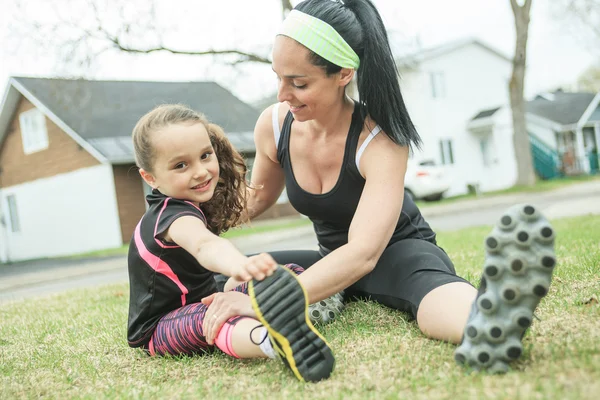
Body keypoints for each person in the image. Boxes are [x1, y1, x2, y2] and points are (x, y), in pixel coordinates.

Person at [207, 0, 557, 374]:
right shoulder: (275, 125)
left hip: (397, 253)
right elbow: (256, 197)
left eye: (299, 83)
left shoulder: (379, 139)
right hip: (332, 262)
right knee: (237, 275)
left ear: (343, 74)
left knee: (428, 292)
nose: (282, 94)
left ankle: (490, 320)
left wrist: (266, 304)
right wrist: (191, 221)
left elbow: (362, 254)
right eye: (278, 76)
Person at [126, 104, 335, 382]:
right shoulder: (171, 216)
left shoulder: (191, 202)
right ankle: (271, 341)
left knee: (287, 273)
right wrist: (241, 264)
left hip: (208, 293)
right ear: (150, 177)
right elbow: (204, 246)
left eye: (204, 156)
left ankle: (303, 312)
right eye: (181, 165)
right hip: (161, 326)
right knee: (217, 319)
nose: (200, 171)